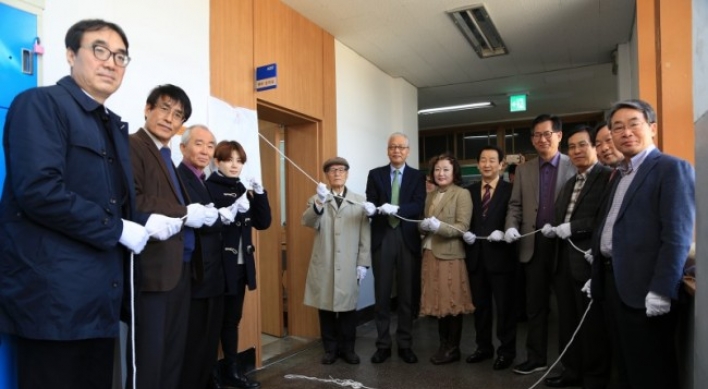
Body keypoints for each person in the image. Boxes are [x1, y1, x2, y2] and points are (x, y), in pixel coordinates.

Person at [0, 19, 182, 389]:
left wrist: (146, 220)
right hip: (53, 302)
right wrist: (117, 229)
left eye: (120, 56)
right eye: (99, 50)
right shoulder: (40, 104)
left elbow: (111, 202)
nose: (111, 63)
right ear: (70, 54)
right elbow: (38, 190)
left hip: (100, 298)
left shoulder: (110, 124)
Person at [590, 99, 694, 389]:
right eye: (617, 128)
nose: (626, 132)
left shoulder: (671, 168)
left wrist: (662, 289)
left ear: (652, 128)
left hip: (646, 292)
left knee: (651, 372)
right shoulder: (619, 174)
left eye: (634, 124)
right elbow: (609, 227)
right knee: (625, 366)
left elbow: (677, 236)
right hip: (613, 287)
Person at [129, 84, 217, 389]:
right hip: (153, 270)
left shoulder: (165, 154)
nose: (169, 118)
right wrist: (183, 212)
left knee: (172, 355)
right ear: (147, 108)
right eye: (164, 108)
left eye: (178, 114)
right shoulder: (132, 145)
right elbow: (133, 199)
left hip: (181, 268)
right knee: (150, 357)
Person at [503, 114, 575, 375]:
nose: (542, 139)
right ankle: (536, 358)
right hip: (532, 245)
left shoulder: (574, 165)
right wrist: (511, 226)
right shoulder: (524, 170)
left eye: (547, 134)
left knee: (567, 309)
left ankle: (570, 364)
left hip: (565, 246)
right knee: (535, 307)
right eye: (536, 135)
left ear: (559, 135)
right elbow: (515, 206)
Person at [541, 125, 612, 388]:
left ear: (595, 147)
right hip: (563, 264)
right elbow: (562, 217)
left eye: (583, 145)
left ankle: (594, 377)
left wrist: (574, 227)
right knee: (567, 323)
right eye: (571, 147)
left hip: (588, 263)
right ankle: (571, 370)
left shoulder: (607, 177)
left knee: (591, 325)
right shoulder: (570, 182)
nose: (577, 151)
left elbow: (604, 219)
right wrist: (554, 227)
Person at [205, 140, 271, 389]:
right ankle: (210, 376)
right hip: (219, 266)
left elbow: (263, 222)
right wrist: (232, 208)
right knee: (213, 323)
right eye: (229, 159)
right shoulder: (209, 187)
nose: (235, 165)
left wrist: (261, 193)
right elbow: (208, 225)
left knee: (232, 320)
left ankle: (231, 371)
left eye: (239, 160)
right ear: (217, 161)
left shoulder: (242, 187)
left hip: (241, 265)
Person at [302, 157, 371, 365]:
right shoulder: (317, 198)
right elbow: (307, 221)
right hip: (325, 263)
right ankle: (330, 350)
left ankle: (348, 349)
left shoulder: (359, 201)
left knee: (348, 309)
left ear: (347, 174)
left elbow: (365, 234)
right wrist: (319, 202)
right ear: (327, 175)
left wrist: (363, 263)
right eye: (332, 170)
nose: (337, 173)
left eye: (341, 170)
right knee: (326, 309)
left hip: (349, 264)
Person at [177, 125, 231, 389]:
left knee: (209, 340)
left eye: (210, 145)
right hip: (194, 275)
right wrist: (217, 219)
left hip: (212, 275)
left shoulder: (202, 179)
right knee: (194, 343)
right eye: (199, 144)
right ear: (183, 147)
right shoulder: (177, 177)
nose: (205, 150)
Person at [364, 132, 426, 364]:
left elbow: (419, 204)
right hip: (383, 236)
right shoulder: (376, 174)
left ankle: (405, 344)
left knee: (407, 294)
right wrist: (374, 208)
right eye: (392, 147)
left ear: (408, 151)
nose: (396, 150)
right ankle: (382, 345)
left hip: (407, 236)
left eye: (401, 147)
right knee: (382, 294)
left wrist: (397, 208)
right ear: (387, 150)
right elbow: (371, 199)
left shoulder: (417, 176)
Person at [464, 145, 517, 371]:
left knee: (505, 308)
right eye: (483, 160)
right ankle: (483, 347)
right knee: (481, 308)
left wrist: (505, 232)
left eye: (492, 160)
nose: (487, 164)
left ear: (501, 164)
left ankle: (506, 351)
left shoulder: (511, 189)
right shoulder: (469, 190)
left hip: (502, 258)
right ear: (478, 164)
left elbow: (515, 216)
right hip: (476, 257)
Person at [418, 153, 474, 364]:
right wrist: (422, 227)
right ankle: (443, 345)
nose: (440, 174)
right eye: (437, 170)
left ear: (454, 172)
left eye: (445, 170)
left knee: (452, 303)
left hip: (451, 255)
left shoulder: (462, 194)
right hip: (430, 252)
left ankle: (453, 348)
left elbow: (462, 226)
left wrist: (438, 226)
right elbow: (422, 221)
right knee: (438, 303)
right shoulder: (431, 195)